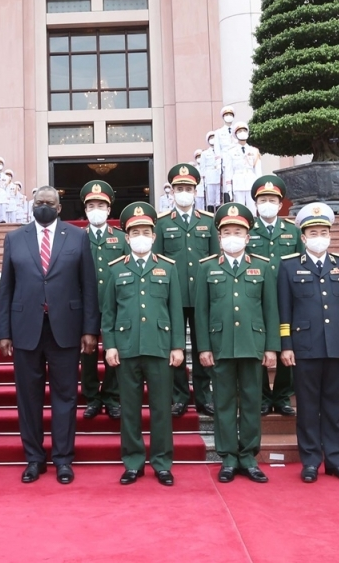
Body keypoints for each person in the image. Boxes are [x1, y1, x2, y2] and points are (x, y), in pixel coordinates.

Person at [0, 186, 100, 485]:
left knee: (65, 397)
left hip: (65, 329)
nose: (43, 206)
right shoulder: (15, 238)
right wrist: (3, 331)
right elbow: (6, 288)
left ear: (59, 207)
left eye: (49, 202)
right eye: (39, 202)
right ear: (32, 205)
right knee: (28, 399)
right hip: (25, 329)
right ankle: (34, 459)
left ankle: (63, 459)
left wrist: (90, 329)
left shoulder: (78, 237)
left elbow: (88, 286)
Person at [278, 203, 339, 484]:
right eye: (313, 232)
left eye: (324, 232)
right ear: (303, 237)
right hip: (304, 346)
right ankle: (311, 461)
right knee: (306, 406)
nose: (319, 236)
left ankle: (336, 460)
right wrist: (286, 345)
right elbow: (284, 309)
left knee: (334, 406)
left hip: (337, 345)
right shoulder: (289, 265)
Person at [101, 202, 184, 486]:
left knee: (162, 408)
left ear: (154, 235)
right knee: (130, 409)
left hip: (160, 347)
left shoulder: (167, 268)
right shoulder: (115, 270)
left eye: (145, 231)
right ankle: (133, 462)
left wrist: (177, 346)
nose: (140, 236)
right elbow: (109, 312)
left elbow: (175, 311)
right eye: (135, 231)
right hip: (126, 348)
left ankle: (162, 463)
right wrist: (110, 345)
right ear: (126, 237)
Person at [196, 202, 278, 484]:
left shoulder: (262, 267)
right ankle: (228, 457)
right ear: (219, 237)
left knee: (253, 401)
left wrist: (271, 348)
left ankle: (249, 456)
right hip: (220, 346)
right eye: (227, 231)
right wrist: (204, 347)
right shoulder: (207, 268)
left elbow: (270, 310)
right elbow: (201, 312)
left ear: (247, 237)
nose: (233, 236)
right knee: (224, 402)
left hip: (252, 344)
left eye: (238, 232)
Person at [153, 164, 219, 417]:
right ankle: (179, 396)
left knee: (204, 345)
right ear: (171, 191)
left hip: (202, 295)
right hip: (173, 296)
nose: (184, 192)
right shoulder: (161, 223)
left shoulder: (209, 221)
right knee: (175, 346)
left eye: (188, 188)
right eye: (179, 188)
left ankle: (204, 396)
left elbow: (214, 259)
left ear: (196, 191)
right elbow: (158, 260)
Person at [246, 174, 304, 417]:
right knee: (258, 344)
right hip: (255, 295)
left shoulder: (292, 231)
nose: (267, 203)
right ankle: (261, 396)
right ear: (256, 204)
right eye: (263, 200)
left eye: (272, 199)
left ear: (281, 205)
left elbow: (301, 262)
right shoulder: (247, 231)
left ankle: (281, 396)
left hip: (286, 296)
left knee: (285, 344)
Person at [80, 181, 127, 420]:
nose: (96, 209)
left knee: (113, 349)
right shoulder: (76, 238)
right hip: (85, 304)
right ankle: (91, 397)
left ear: (109, 210)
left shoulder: (121, 239)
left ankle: (111, 395)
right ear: (85, 209)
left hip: (116, 303)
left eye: (101, 205)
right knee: (87, 351)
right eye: (91, 205)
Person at [224, 122, 261, 209]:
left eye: (244, 130)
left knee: (252, 209)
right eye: (240, 131)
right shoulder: (230, 152)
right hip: (238, 183)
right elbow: (228, 171)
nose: (242, 133)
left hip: (251, 182)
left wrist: (259, 185)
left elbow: (258, 171)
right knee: (239, 209)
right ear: (236, 134)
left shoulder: (254, 151)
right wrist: (229, 188)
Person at [199, 133, 223, 211]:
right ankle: (210, 216)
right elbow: (202, 167)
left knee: (218, 199)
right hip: (209, 177)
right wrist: (203, 180)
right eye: (211, 138)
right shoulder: (205, 153)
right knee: (210, 200)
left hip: (218, 176)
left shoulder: (220, 152)